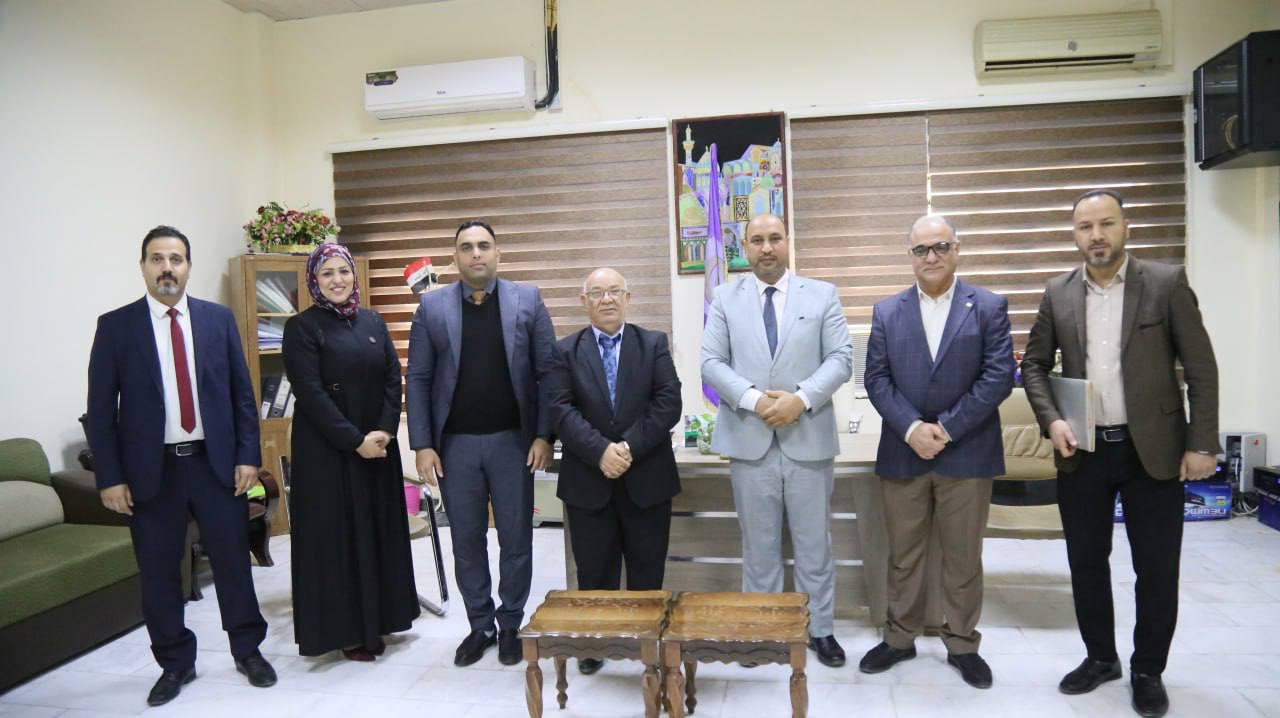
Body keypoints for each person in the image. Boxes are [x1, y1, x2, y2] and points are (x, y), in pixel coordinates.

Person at [1021, 190, 1220, 718]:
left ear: (1125, 226)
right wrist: (1052, 419)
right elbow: (1033, 365)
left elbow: (1201, 368)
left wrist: (1202, 443)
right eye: (1085, 227)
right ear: (1074, 234)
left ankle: (1148, 669)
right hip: (1083, 450)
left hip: (1152, 449)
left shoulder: (1166, 283)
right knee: (1087, 561)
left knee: (1156, 566)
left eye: (1106, 223)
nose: (1097, 235)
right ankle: (1101, 658)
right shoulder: (1058, 292)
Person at [86, 226, 276, 707]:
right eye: (157, 259)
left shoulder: (218, 320)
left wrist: (248, 456)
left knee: (233, 563)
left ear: (188, 266)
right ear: (143, 266)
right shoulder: (116, 327)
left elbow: (241, 395)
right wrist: (110, 477)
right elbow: (101, 411)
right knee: (158, 574)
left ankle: (248, 650)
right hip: (152, 473)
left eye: (176, 259)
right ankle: (175, 663)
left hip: (216, 465)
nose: (167, 268)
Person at [860, 215, 1014, 689]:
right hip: (904, 451)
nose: (931, 257)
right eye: (921, 249)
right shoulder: (888, 311)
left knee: (963, 557)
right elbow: (876, 379)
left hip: (967, 451)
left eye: (940, 247)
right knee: (903, 554)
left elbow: (998, 377)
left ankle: (963, 643)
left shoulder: (987, 306)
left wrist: (945, 429)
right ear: (909, 255)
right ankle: (899, 638)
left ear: (956, 249)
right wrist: (912, 428)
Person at [700, 212, 853, 667]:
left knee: (814, 544)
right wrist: (753, 400)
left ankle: (819, 629)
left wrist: (800, 400)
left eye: (775, 238)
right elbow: (711, 362)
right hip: (750, 440)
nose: (767, 248)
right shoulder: (724, 298)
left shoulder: (822, 294)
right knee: (759, 545)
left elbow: (841, 358)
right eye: (757, 240)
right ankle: (761, 629)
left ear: (788, 242)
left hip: (808, 436)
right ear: (744, 248)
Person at [406, 219, 556, 666]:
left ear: (498, 253)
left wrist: (544, 434)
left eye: (484, 245)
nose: (476, 253)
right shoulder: (432, 308)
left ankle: (510, 624)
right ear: (455, 257)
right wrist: (422, 444)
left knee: (516, 538)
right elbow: (419, 377)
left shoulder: (527, 299)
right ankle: (480, 625)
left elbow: (548, 373)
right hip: (455, 448)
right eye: (467, 247)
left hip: (514, 443)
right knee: (467, 540)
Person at [282, 243, 420, 662]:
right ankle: (346, 631)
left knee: (378, 532)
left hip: (377, 449)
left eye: (343, 271)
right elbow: (311, 394)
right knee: (338, 541)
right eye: (327, 273)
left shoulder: (373, 321)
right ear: (314, 281)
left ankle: (383, 618)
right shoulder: (302, 328)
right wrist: (354, 440)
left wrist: (384, 430)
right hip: (328, 454)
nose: (337, 280)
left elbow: (392, 377)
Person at [548, 267, 682, 675]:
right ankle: (596, 643)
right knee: (593, 570)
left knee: (647, 568)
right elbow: (559, 410)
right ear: (583, 301)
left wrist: (626, 447)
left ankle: (646, 642)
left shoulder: (653, 343)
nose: (606, 299)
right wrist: (600, 451)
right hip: (588, 480)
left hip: (647, 477)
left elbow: (668, 403)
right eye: (597, 293)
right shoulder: (564, 351)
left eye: (614, 291)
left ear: (628, 297)